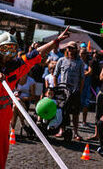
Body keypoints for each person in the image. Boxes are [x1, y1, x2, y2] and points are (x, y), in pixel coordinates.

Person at [0, 27, 69, 169]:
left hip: (3, 121)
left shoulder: (15, 66)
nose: (9, 54)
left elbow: (35, 54)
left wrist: (55, 42)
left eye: (13, 49)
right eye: (5, 49)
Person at [53, 41, 84, 141]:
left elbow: (82, 78)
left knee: (75, 114)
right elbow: (55, 75)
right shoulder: (61, 60)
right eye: (68, 48)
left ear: (76, 49)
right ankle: (61, 130)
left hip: (74, 92)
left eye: (72, 48)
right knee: (62, 112)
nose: (70, 50)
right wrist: (56, 88)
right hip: (62, 91)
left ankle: (76, 132)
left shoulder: (80, 62)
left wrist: (80, 91)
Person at [79, 48, 92, 126]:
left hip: (86, 86)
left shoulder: (89, 62)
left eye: (84, 53)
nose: (82, 55)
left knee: (85, 104)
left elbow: (90, 72)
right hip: (79, 85)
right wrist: (84, 73)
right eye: (81, 53)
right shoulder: (78, 61)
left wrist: (82, 74)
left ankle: (84, 121)